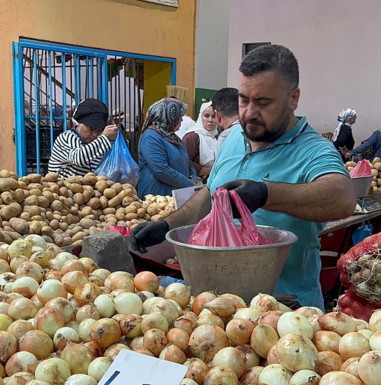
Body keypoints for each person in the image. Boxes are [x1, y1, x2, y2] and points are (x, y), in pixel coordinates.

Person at [130, 44, 355, 309]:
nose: (249, 113)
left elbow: (343, 197)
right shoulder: (235, 137)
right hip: (224, 307)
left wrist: (266, 194)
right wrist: (167, 225)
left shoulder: (313, 149)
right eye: (244, 100)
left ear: (293, 98)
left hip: (287, 311)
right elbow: (211, 195)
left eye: (263, 103)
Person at [137, 98, 197, 197]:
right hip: (156, 196)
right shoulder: (150, 137)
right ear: (169, 116)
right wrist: (189, 184)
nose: (181, 120)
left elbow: (188, 163)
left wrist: (193, 179)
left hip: (176, 194)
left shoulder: (175, 139)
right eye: (179, 116)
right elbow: (161, 170)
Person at [47, 98, 118, 178]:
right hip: (62, 187)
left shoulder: (97, 143)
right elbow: (79, 159)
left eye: (99, 130)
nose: (95, 134)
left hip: (86, 189)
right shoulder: (67, 137)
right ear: (78, 122)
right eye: (91, 128)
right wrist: (104, 137)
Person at [183, 100, 218, 179]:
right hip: (194, 182)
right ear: (200, 117)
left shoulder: (217, 137)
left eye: (214, 116)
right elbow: (184, 161)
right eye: (206, 116)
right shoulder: (192, 137)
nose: (210, 120)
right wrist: (210, 170)